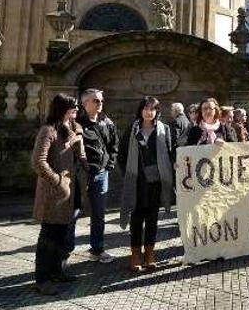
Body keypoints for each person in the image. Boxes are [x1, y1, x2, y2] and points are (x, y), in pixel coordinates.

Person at [32, 94, 86, 295]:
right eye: (72, 107)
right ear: (61, 108)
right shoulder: (48, 130)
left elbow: (77, 151)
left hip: (68, 192)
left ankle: (57, 272)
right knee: (48, 236)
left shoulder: (70, 128)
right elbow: (38, 161)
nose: (76, 110)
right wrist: (57, 181)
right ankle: (42, 279)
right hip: (52, 193)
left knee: (62, 235)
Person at [118, 96, 175, 272]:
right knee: (136, 218)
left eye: (153, 109)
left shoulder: (164, 129)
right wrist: (128, 174)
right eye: (146, 108)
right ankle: (135, 254)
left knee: (152, 219)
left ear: (157, 111)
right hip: (137, 181)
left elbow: (171, 153)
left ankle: (149, 252)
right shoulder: (132, 129)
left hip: (156, 182)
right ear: (141, 110)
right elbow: (122, 155)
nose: (149, 112)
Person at [76, 89, 118, 264]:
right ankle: (64, 252)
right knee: (73, 213)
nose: (100, 104)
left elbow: (113, 144)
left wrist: (109, 164)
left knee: (99, 214)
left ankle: (97, 249)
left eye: (101, 100)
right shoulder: (77, 123)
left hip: (101, 174)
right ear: (85, 103)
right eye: (96, 101)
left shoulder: (106, 122)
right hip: (81, 175)